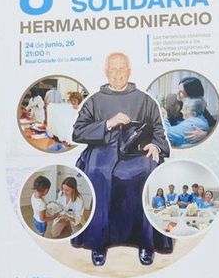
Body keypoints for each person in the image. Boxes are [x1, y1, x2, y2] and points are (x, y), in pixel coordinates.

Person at [71, 52, 172, 266]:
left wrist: (156, 145)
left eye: (122, 69)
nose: (118, 74)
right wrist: (108, 123)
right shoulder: (95, 101)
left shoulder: (145, 101)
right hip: (102, 151)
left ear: (129, 71)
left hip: (137, 152)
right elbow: (77, 132)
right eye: (113, 69)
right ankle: (98, 242)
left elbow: (158, 132)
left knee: (148, 171)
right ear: (106, 72)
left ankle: (146, 242)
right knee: (97, 172)